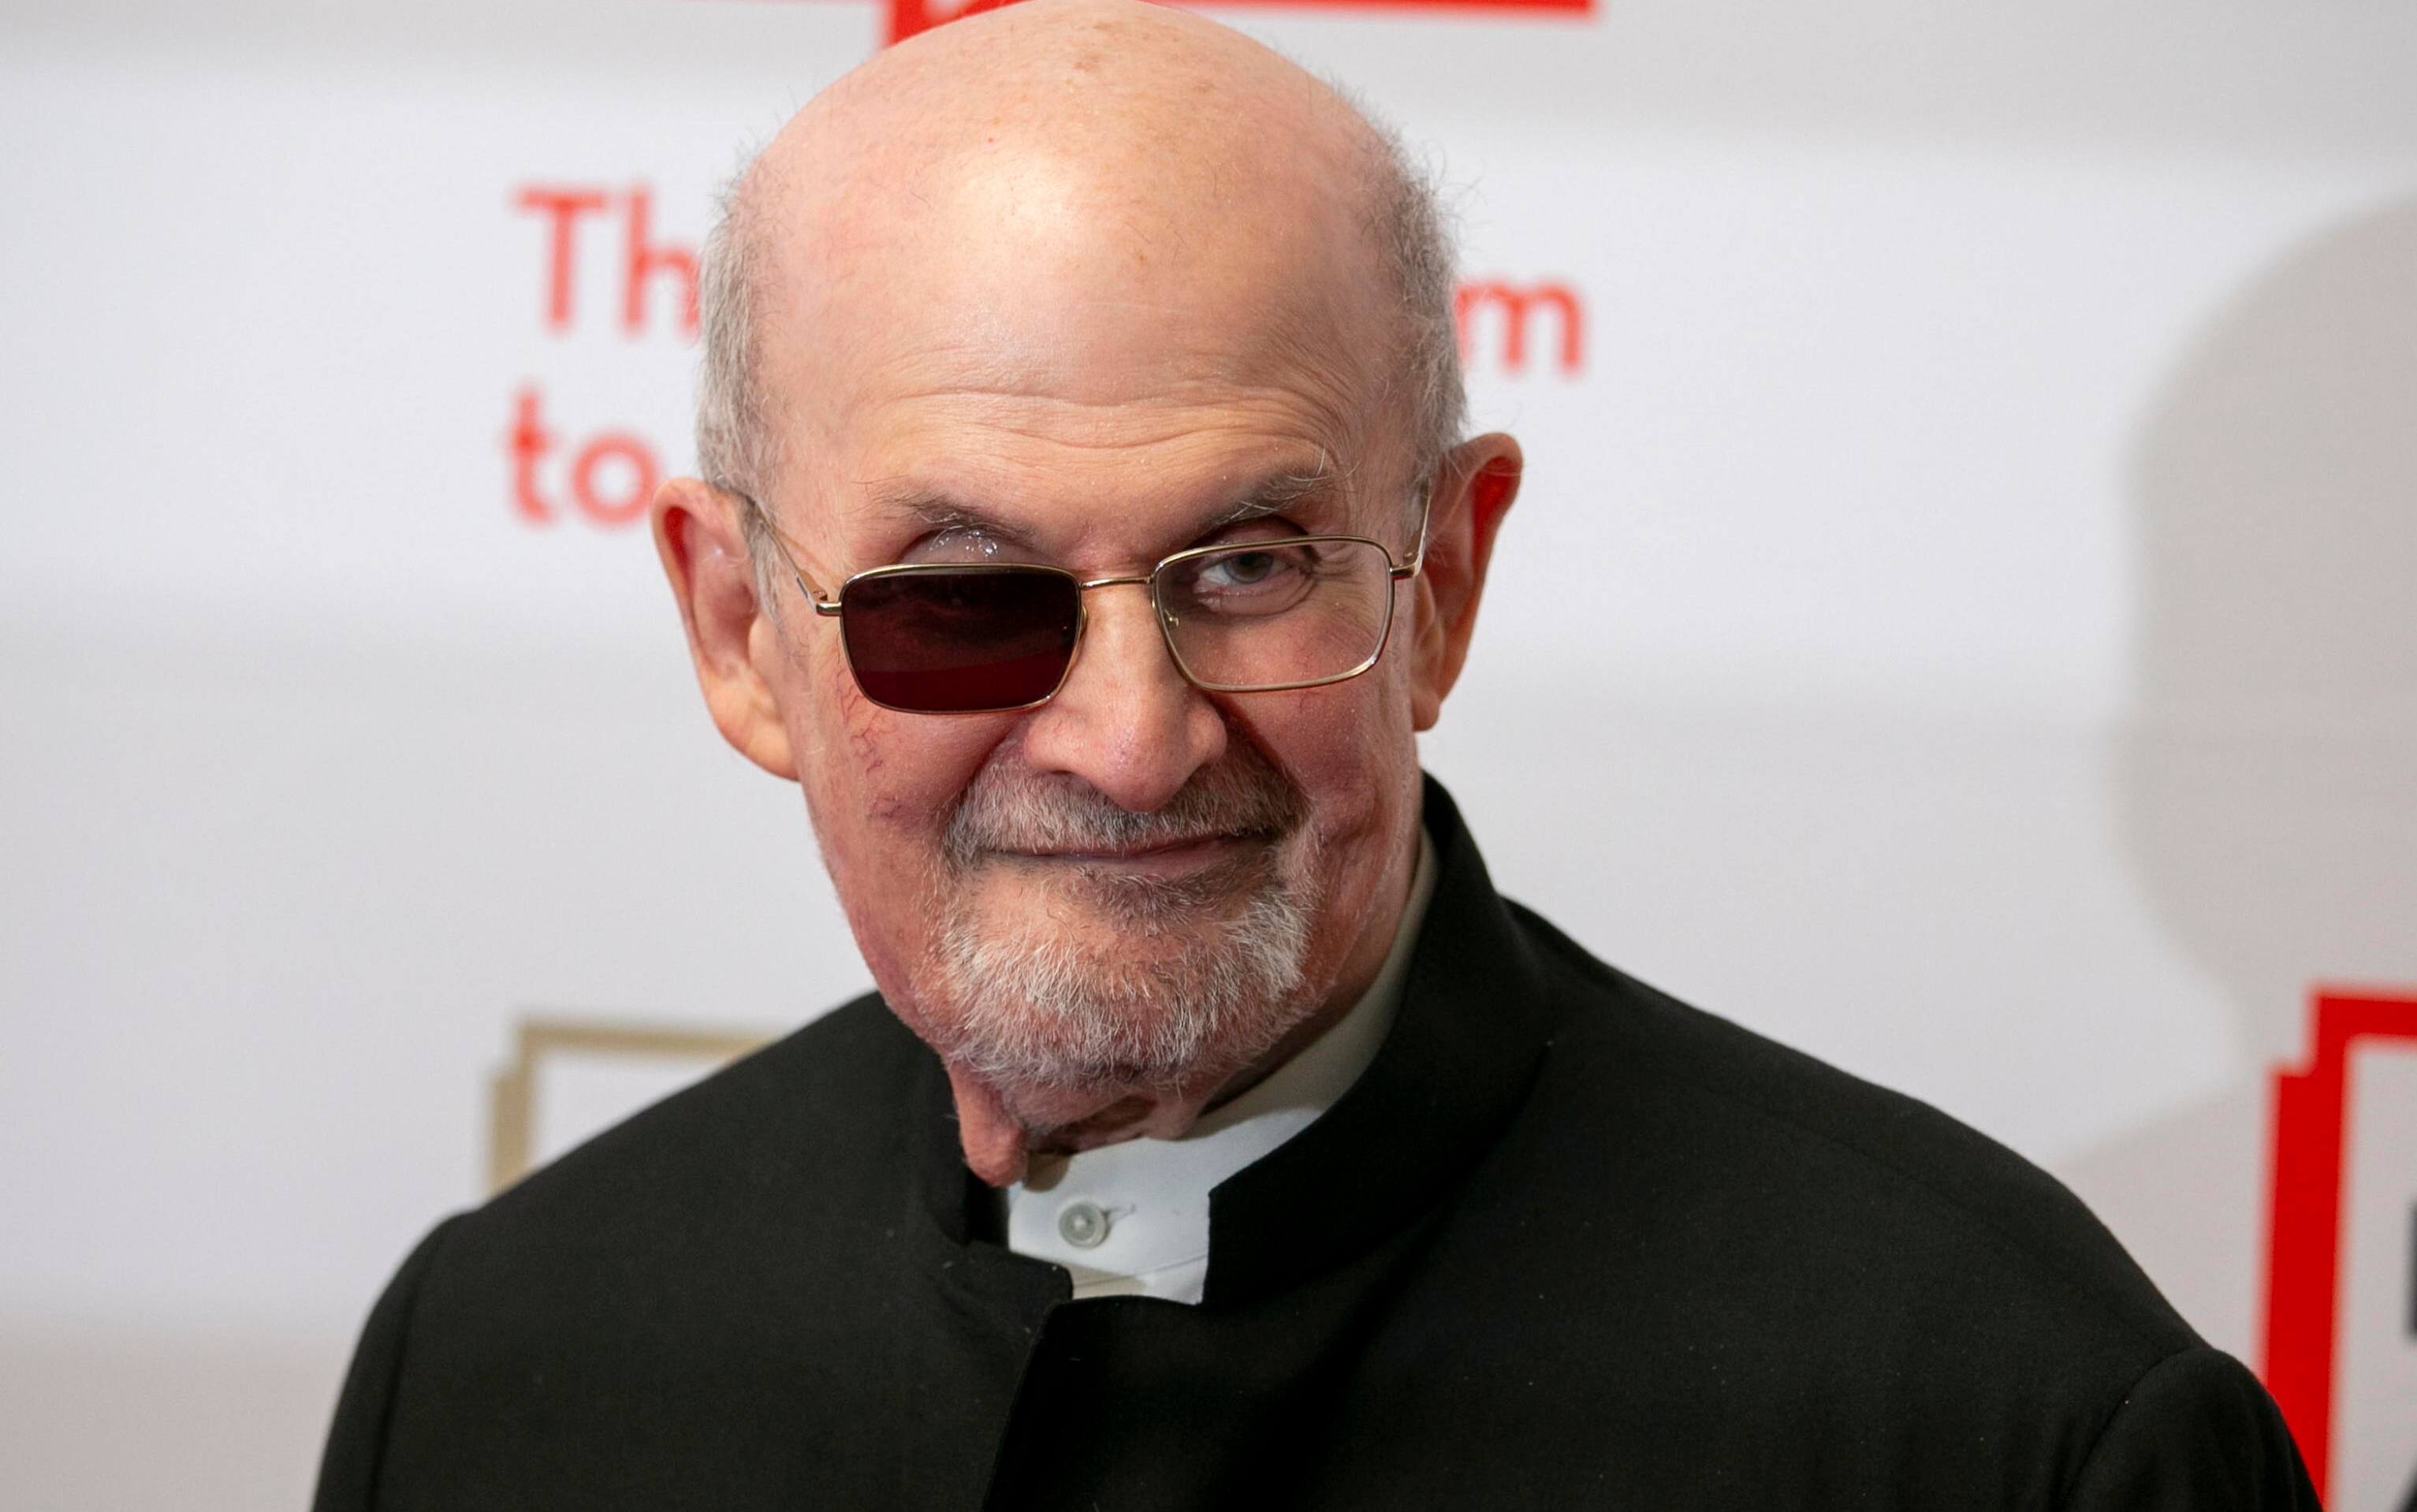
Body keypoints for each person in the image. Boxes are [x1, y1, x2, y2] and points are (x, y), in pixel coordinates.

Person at [313, 2, 2317, 1506]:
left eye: (1250, 561)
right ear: (741, 634)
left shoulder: (2005, 1429)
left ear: (1440, 580)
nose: (1126, 738)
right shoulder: (501, 1365)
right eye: (967, 586)